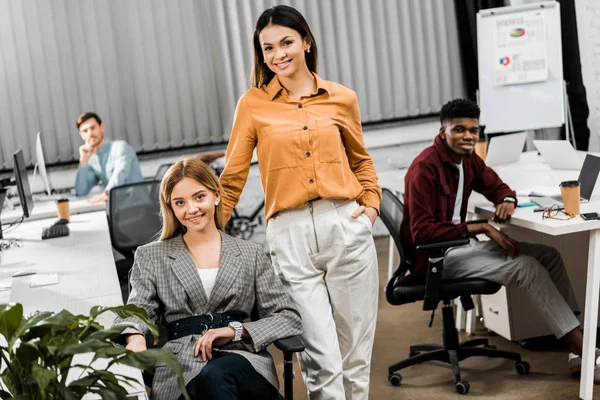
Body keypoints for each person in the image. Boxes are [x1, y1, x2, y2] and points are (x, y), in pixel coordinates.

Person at [218, 5, 381, 399]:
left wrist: (371, 206)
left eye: (287, 42)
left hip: (345, 223)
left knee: (355, 358)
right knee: (320, 359)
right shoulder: (253, 104)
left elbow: (360, 160)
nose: (278, 55)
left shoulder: (342, 98)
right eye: (268, 48)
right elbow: (232, 178)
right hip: (289, 235)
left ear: (306, 42)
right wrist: (201, 236)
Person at [400, 98, 599, 380]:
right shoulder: (425, 168)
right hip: (437, 258)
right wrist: (481, 227)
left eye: (473, 130)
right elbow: (423, 233)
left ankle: (577, 346)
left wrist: (506, 199)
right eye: (459, 130)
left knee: (549, 255)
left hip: (461, 247)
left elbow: (497, 185)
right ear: (442, 131)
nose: (468, 136)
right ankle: (588, 355)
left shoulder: (467, 160)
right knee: (526, 266)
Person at [112, 157, 301, 400]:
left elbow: (288, 317)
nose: (191, 209)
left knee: (217, 375)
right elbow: (137, 309)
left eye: (199, 197)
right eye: (180, 202)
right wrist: (136, 337)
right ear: (170, 207)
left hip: (242, 360)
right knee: (208, 381)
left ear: (216, 195)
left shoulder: (250, 254)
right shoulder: (152, 256)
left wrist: (235, 331)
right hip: (182, 364)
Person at [74, 112, 143, 202]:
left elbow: (120, 175)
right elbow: (81, 192)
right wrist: (83, 161)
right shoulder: (92, 160)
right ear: (81, 135)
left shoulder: (120, 147)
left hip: (138, 205)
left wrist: (105, 194)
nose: (90, 133)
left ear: (101, 127)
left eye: (93, 128)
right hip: (118, 208)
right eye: (85, 131)